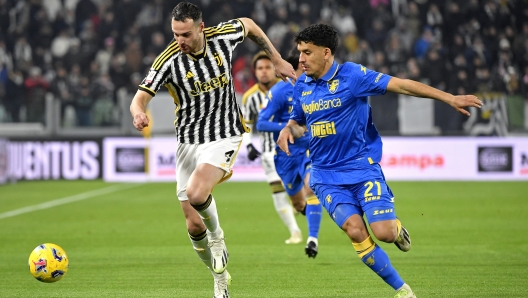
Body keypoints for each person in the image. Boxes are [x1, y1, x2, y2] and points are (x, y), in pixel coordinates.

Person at [277, 24, 482, 298]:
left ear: (326, 53)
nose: (300, 59)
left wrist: (449, 98)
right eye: (300, 52)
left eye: (307, 52)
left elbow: (402, 85)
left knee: (383, 232)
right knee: (354, 230)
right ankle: (403, 290)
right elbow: (298, 120)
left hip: (362, 170)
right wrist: (287, 128)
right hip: (326, 177)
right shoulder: (302, 84)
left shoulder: (353, 76)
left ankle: (396, 230)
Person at [129, 2, 297, 297]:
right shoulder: (168, 60)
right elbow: (139, 97)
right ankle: (219, 279)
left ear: (200, 28)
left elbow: (249, 24)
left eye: (185, 34)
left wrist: (278, 58)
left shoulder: (223, 36)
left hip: (225, 133)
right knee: (194, 226)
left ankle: (218, 238)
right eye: (175, 34)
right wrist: (138, 112)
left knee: (197, 194)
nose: (179, 41)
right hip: (188, 141)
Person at [256, 50, 323, 258]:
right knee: (298, 202)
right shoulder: (279, 92)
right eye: (303, 67)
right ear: (295, 69)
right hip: (286, 155)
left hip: (309, 148)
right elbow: (261, 122)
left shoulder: (316, 88)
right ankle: (309, 211)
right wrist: (287, 128)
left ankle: (312, 239)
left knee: (311, 187)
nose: (307, 71)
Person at [242, 51, 303, 245]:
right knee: (277, 191)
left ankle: (299, 206)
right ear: (255, 72)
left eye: (268, 67)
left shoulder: (286, 89)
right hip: (270, 152)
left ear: (275, 69)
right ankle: (295, 232)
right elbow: (246, 125)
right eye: (260, 68)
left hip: (297, 149)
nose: (264, 72)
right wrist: (249, 145)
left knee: (301, 197)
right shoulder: (249, 97)